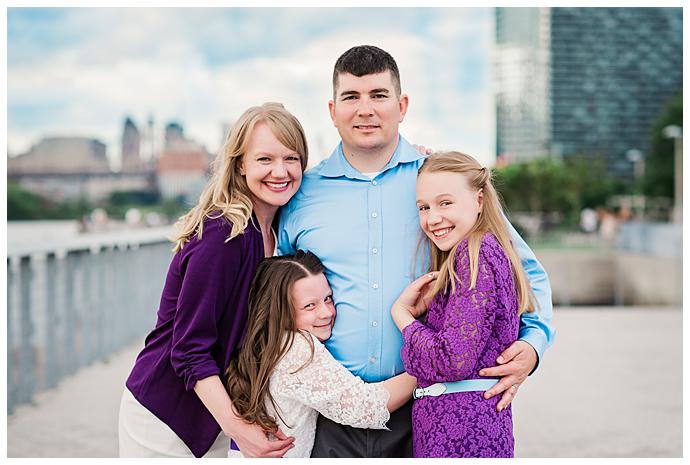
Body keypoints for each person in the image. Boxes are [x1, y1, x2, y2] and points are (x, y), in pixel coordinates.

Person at [278, 45, 555, 458]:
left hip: (426, 409)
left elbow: (523, 271)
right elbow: (271, 293)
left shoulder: (437, 184)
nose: (365, 109)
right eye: (351, 97)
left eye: (379, 95)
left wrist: (533, 346)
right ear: (333, 111)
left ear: (402, 105)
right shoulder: (301, 197)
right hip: (332, 415)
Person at [118, 102, 308, 458]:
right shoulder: (223, 236)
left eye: (291, 158)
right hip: (166, 417)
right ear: (240, 165)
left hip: (217, 413)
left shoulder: (279, 232)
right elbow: (189, 349)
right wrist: (240, 430)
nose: (280, 171)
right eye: (264, 159)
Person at [391, 151, 535, 457]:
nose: (433, 218)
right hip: (461, 426)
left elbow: (452, 360)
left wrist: (403, 317)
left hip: (463, 432)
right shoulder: (482, 252)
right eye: (424, 207)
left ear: (479, 200)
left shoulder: (476, 254)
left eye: (445, 203)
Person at [224, 250, 418, 457]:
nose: (326, 312)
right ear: (279, 312)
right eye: (310, 306)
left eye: (328, 299)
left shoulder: (264, 346)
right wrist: (428, 367)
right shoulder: (296, 347)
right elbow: (364, 406)